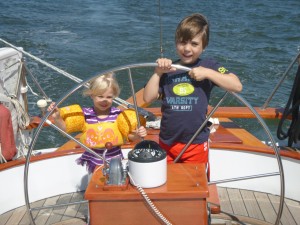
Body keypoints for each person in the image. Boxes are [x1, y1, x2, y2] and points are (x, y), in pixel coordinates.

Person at [143, 13, 242, 177]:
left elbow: (236, 85)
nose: (187, 48)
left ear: (204, 46)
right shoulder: (168, 70)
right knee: (167, 183)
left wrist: (208, 73)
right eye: (182, 42)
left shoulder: (209, 66)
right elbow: (148, 97)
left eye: (194, 44)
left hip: (196, 144)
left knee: (195, 185)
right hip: (167, 142)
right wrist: (158, 73)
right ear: (176, 43)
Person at [48, 73, 147, 173]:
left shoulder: (119, 115)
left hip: (115, 162)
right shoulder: (84, 115)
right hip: (92, 163)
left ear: (114, 96)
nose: (104, 100)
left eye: (109, 97)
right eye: (100, 96)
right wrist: (57, 118)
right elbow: (65, 130)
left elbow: (132, 138)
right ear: (92, 95)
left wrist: (138, 134)